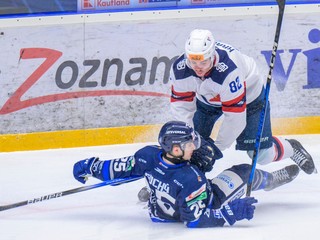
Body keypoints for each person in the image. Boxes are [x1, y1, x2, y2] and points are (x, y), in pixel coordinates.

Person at [73, 121, 300, 228]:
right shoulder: (193, 178)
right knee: (242, 171)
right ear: (175, 149)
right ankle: (271, 180)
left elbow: (114, 170)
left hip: (157, 214)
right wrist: (231, 212)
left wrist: (89, 166)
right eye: (189, 144)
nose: (194, 146)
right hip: (204, 203)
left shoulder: (148, 156)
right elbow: (194, 219)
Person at [169, 29, 316, 175]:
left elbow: (235, 121)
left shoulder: (229, 72)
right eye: (193, 61)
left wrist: (215, 149)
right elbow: (181, 109)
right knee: (185, 147)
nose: (197, 68)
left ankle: (291, 147)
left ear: (212, 56)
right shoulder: (180, 69)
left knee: (261, 155)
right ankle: (172, 181)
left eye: (203, 62)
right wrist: (189, 139)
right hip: (207, 101)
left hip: (249, 98)